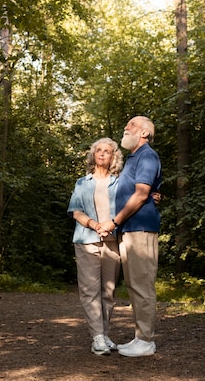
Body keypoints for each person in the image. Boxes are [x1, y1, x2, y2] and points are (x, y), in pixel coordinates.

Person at [99, 116, 162, 358]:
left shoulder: (147, 155)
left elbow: (140, 194)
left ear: (144, 132)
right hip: (130, 230)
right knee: (135, 285)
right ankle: (140, 338)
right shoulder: (135, 158)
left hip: (140, 230)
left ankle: (146, 341)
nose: (126, 127)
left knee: (143, 285)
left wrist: (114, 222)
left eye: (131, 125)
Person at [67, 137, 123, 356]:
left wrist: (154, 196)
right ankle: (97, 337)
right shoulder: (82, 182)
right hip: (86, 240)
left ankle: (105, 334)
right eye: (98, 150)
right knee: (90, 290)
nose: (102, 153)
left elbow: (131, 203)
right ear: (93, 155)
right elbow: (75, 210)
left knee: (108, 291)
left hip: (112, 241)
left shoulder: (120, 182)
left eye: (107, 151)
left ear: (113, 157)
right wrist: (94, 224)